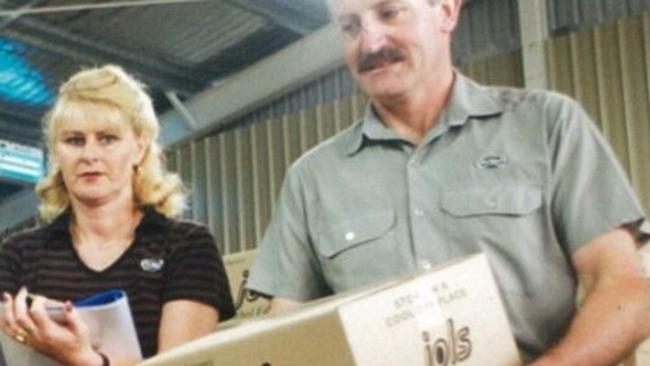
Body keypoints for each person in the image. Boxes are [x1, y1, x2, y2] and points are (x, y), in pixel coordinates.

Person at [247, 0, 650, 364]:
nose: (369, 43)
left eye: (390, 13)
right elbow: (287, 335)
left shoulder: (546, 125)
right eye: (350, 26)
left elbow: (624, 290)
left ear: (446, 11)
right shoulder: (312, 177)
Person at [0, 65, 236, 366]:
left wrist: (82, 359)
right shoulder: (19, 254)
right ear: (56, 153)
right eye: (74, 140)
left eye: (107, 138)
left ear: (139, 147)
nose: (89, 155)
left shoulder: (186, 246)